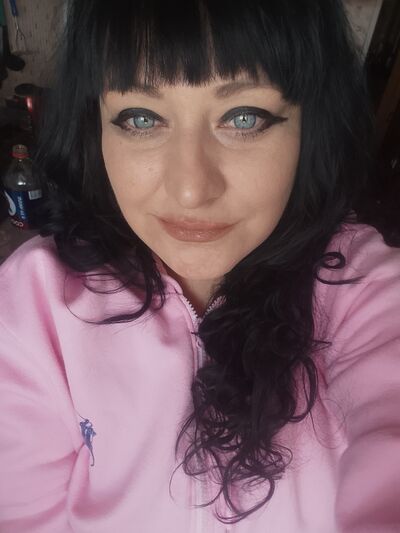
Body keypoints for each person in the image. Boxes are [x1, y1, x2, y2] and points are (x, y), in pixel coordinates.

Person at [0, 1, 399, 532]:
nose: (191, 189)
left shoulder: (362, 289)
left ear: (311, 125)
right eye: (141, 118)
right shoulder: (37, 304)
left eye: (244, 117)